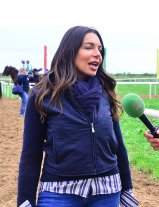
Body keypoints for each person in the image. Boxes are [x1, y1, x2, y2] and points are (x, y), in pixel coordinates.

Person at [17, 26, 139, 207]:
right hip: (59, 192)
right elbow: (31, 153)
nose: (97, 54)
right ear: (69, 51)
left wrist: (127, 188)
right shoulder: (42, 94)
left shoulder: (106, 91)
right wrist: (25, 201)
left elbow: (118, 145)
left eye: (100, 49)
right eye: (89, 47)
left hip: (107, 191)